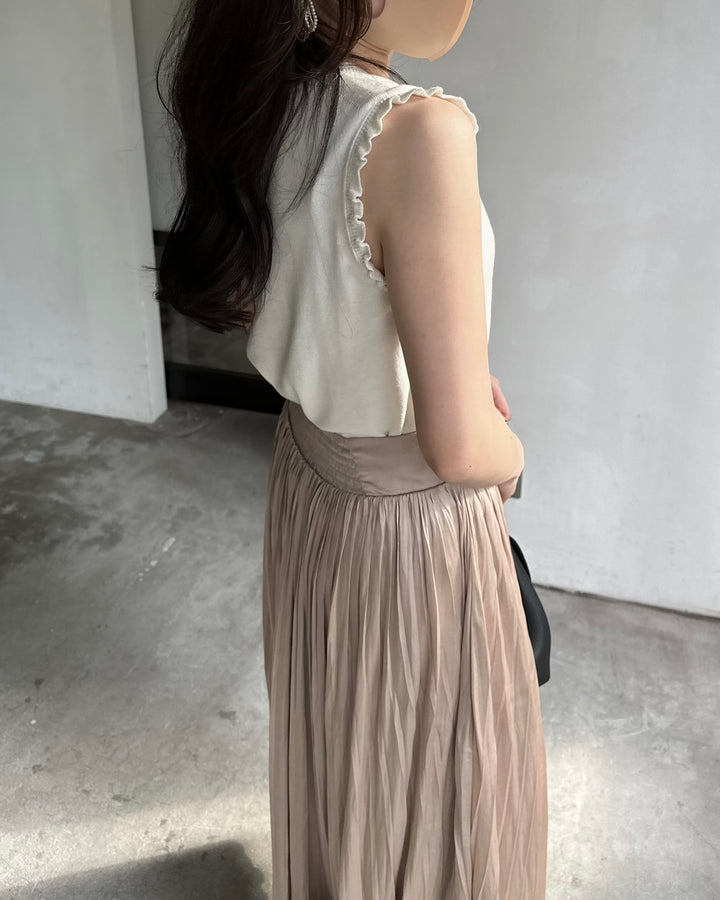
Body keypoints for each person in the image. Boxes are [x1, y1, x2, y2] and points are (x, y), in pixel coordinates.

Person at [154, 0, 548, 897]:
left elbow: (317, 295)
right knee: (437, 792)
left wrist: (434, 374)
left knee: (348, 752)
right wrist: (513, 457)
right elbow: (461, 448)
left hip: (310, 481)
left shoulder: (269, 90)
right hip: (407, 530)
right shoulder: (420, 132)